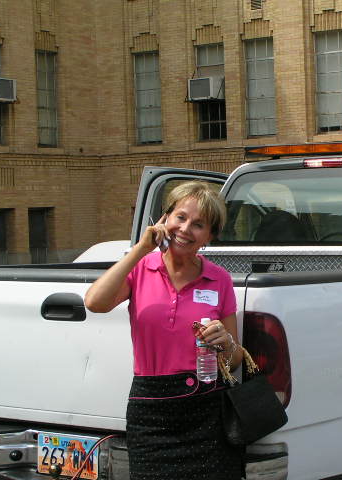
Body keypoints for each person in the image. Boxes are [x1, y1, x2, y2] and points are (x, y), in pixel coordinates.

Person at [84, 181, 244, 480]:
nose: (185, 229)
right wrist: (141, 249)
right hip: (151, 410)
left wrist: (226, 342)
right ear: (165, 218)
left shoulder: (219, 279)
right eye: (180, 217)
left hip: (206, 407)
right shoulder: (141, 268)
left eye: (198, 225)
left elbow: (233, 360)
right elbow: (95, 302)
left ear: (209, 236)